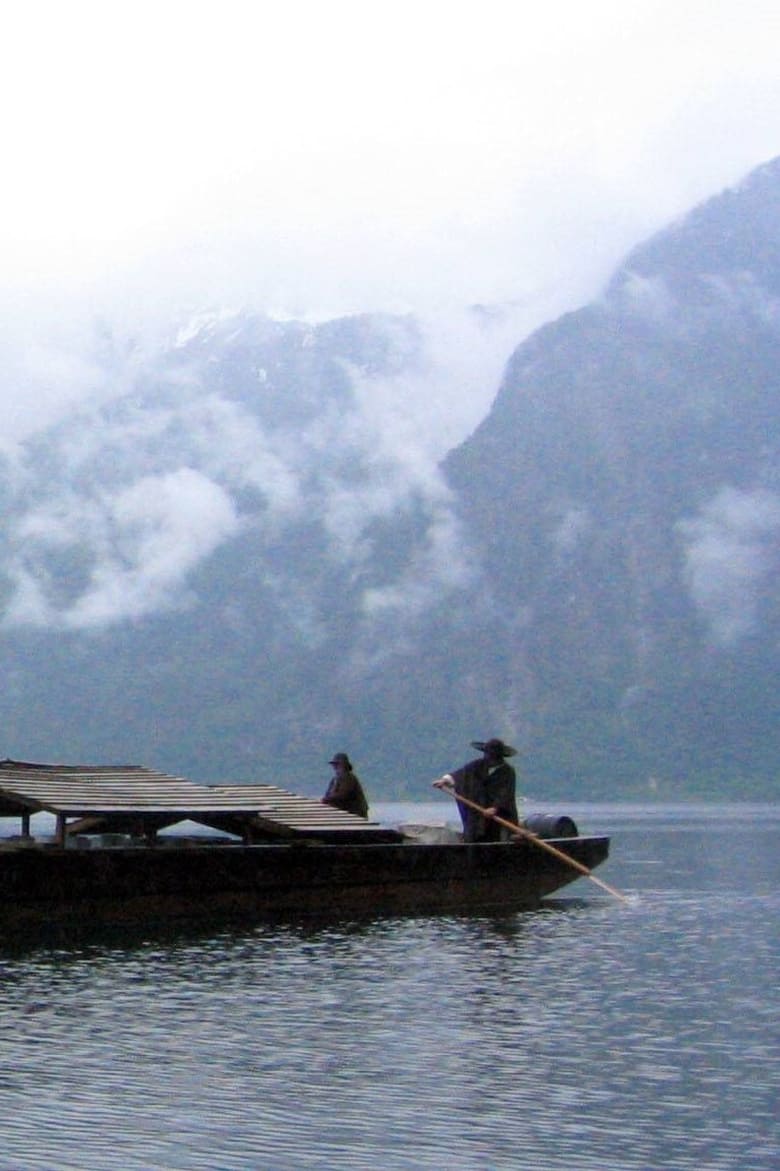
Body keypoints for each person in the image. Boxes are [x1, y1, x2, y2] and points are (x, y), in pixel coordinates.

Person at [433, 738, 519, 842]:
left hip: (498, 818)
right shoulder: (477, 765)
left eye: (493, 757)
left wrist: (495, 808)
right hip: (477, 816)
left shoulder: (508, 772)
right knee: (473, 838)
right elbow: (460, 775)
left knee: (496, 840)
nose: (489, 759)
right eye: (488, 755)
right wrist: (444, 781)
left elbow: (506, 793)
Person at [322, 753, 369, 818]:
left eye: (337, 764)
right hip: (342, 814)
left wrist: (327, 799)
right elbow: (328, 795)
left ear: (344, 765)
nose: (335, 767)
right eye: (334, 765)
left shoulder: (349, 778)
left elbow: (342, 795)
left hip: (355, 814)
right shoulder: (335, 780)